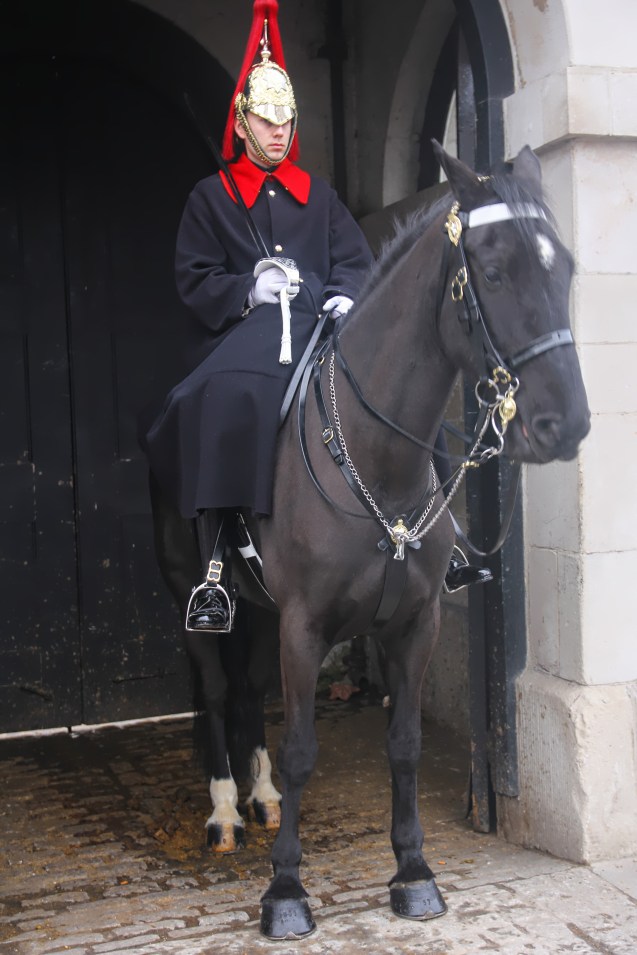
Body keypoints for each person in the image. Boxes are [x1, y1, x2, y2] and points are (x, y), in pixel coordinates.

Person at [143, 0, 490, 631]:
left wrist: (345, 294)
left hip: (327, 326)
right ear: (243, 124)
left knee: (406, 389)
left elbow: (354, 258)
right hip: (252, 332)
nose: (277, 132)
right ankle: (218, 566)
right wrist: (250, 288)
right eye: (265, 121)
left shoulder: (319, 197)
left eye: (286, 121)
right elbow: (195, 279)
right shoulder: (212, 199)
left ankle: (449, 533)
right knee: (226, 396)